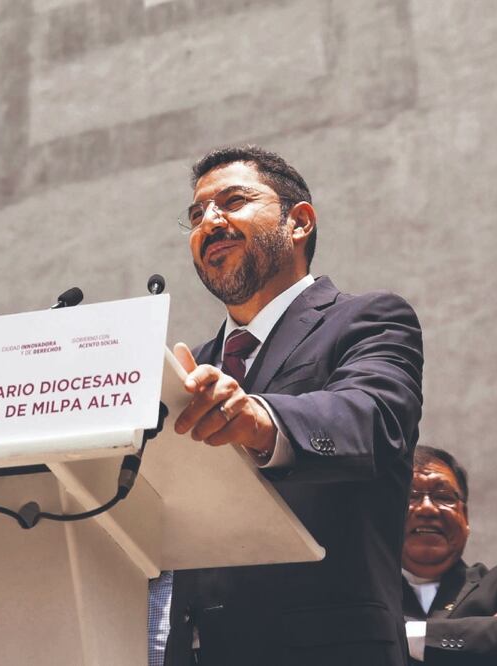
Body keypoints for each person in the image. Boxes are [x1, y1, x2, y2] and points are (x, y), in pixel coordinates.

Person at [164, 145, 424, 665]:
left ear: (299, 221)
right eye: (195, 215)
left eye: (233, 201)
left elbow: (371, 420)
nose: (209, 222)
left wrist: (261, 419)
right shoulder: (190, 373)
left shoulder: (368, 319)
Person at [402, 446, 497, 664]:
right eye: (410, 496)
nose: (427, 508)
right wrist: (485, 636)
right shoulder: (364, 591)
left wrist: (401, 635)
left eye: (443, 496)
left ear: (465, 517)